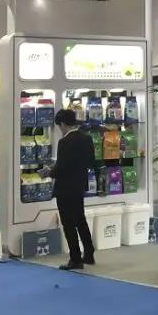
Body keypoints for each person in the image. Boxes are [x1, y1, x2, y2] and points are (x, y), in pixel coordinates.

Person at [50, 109, 95, 270]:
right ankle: (89, 253)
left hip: (65, 188)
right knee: (80, 220)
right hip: (79, 185)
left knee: (68, 224)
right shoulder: (87, 138)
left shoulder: (64, 142)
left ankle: (75, 258)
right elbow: (90, 162)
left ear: (62, 124)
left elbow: (61, 168)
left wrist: (49, 172)